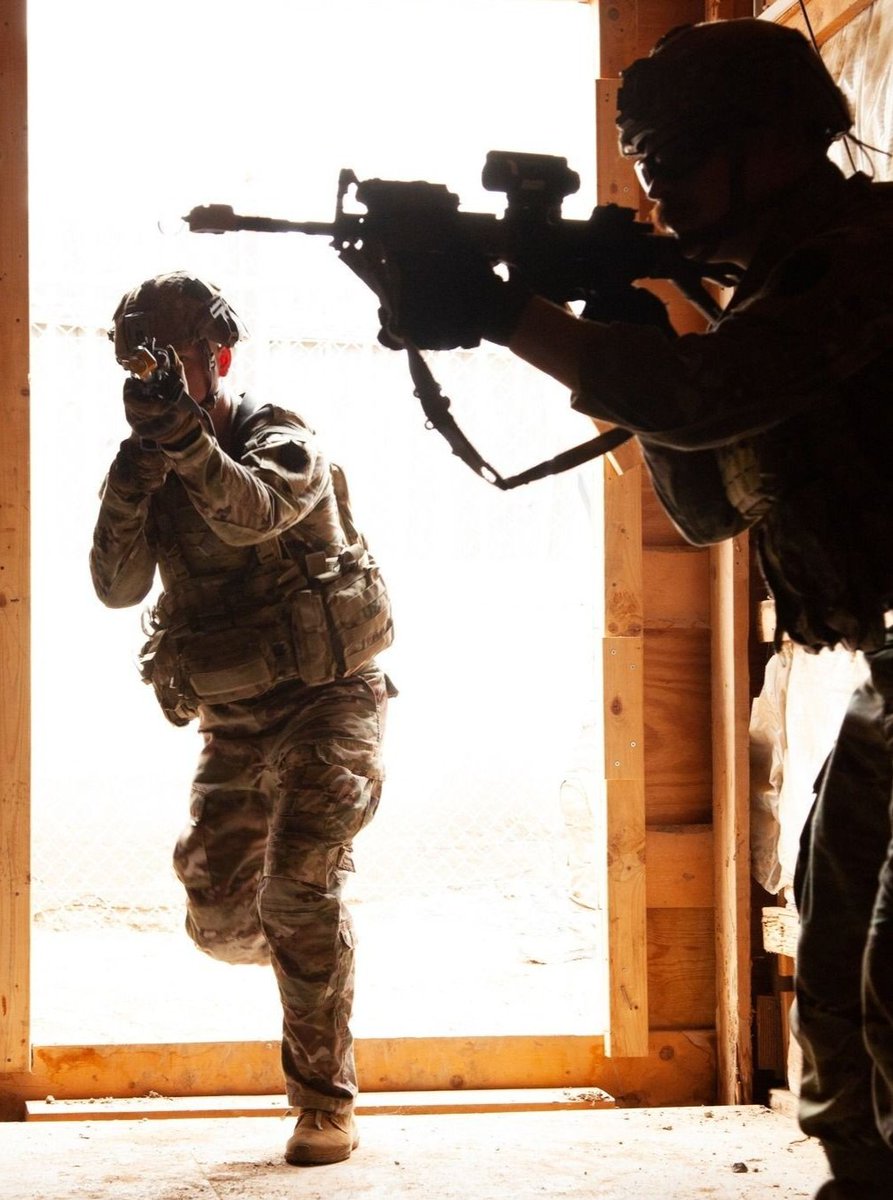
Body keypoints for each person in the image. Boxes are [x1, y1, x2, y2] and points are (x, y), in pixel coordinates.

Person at [370, 18, 893, 1200]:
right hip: (884, 674)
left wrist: (511, 317)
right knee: (831, 958)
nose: (654, 188)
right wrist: (620, 326)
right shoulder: (758, 292)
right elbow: (706, 502)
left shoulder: (867, 249)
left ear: (769, 147)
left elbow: (707, 399)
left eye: (672, 158)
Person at [89, 272, 394, 1167]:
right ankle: (315, 953)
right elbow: (115, 589)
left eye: (178, 358)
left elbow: (254, 514)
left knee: (296, 890)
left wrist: (185, 443)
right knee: (221, 920)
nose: (162, 379)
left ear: (217, 359)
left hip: (327, 702)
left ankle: (323, 1104)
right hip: (234, 718)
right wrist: (130, 479)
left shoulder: (279, 439)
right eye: (144, 362)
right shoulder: (151, 457)